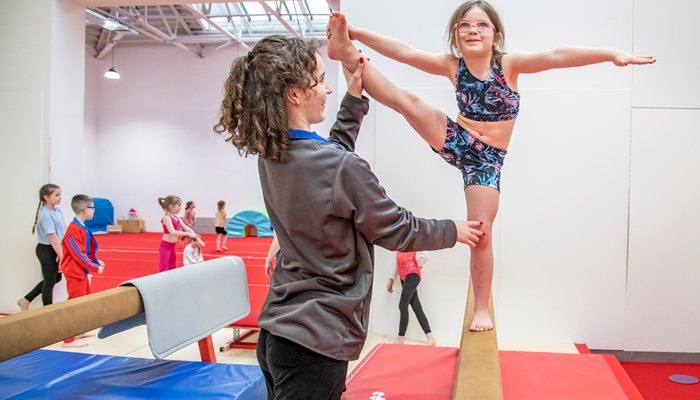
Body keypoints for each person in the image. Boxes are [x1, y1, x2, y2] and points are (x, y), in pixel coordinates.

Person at [326, 2, 655, 331]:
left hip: (487, 160)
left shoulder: (509, 65)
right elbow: (405, 52)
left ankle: (481, 308)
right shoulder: (453, 66)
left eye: (481, 25)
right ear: (455, 35)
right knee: (406, 102)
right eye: (465, 25)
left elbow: (559, 55)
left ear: (495, 34)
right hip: (457, 138)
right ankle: (345, 52)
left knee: (480, 230)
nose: (473, 30)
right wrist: (356, 33)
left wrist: (610, 53)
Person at [214, 34, 484, 400]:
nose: (327, 88)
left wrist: (354, 101)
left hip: (278, 332)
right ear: (294, 94)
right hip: (316, 342)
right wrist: (452, 230)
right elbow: (397, 230)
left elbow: (329, 160)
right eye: (321, 80)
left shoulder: (273, 154)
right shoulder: (337, 167)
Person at [59, 194, 105, 348]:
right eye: (93, 208)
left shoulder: (82, 227)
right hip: (74, 272)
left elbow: (86, 251)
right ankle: (68, 338)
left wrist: (95, 261)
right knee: (74, 304)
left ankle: (77, 330)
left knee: (84, 301)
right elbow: (77, 254)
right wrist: (95, 267)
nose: (94, 211)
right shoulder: (73, 230)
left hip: (82, 271)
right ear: (85, 209)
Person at [17, 184, 66, 311]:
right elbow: (53, 238)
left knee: (57, 278)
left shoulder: (57, 210)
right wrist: (61, 256)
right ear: (46, 197)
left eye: (60, 194)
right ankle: (47, 312)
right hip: (46, 250)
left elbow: (60, 234)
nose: (60, 197)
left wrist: (60, 251)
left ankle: (25, 300)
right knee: (49, 281)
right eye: (57, 195)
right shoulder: (45, 215)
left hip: (55, 248)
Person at [389, 251, 436, 345]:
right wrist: (391, 279)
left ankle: (400, 338)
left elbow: (426, 256)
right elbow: (397, 264)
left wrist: (416, 263)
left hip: (413, 275)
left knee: (402, 305)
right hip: (404, 277)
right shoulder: (398, 246)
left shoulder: (414, 242)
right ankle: (431, 338)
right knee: (417, 307)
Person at [158, 195, 196, 272]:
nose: (180, 207)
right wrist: (188, 234)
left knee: (172, 266)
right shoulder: (166, 217)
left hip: (172, 246)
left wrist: (195, 235)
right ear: (171, 206)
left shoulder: (176, 217)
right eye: (178, 205)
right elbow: (172, 232)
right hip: (165, 246)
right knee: (164, 267)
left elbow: (186, 228)